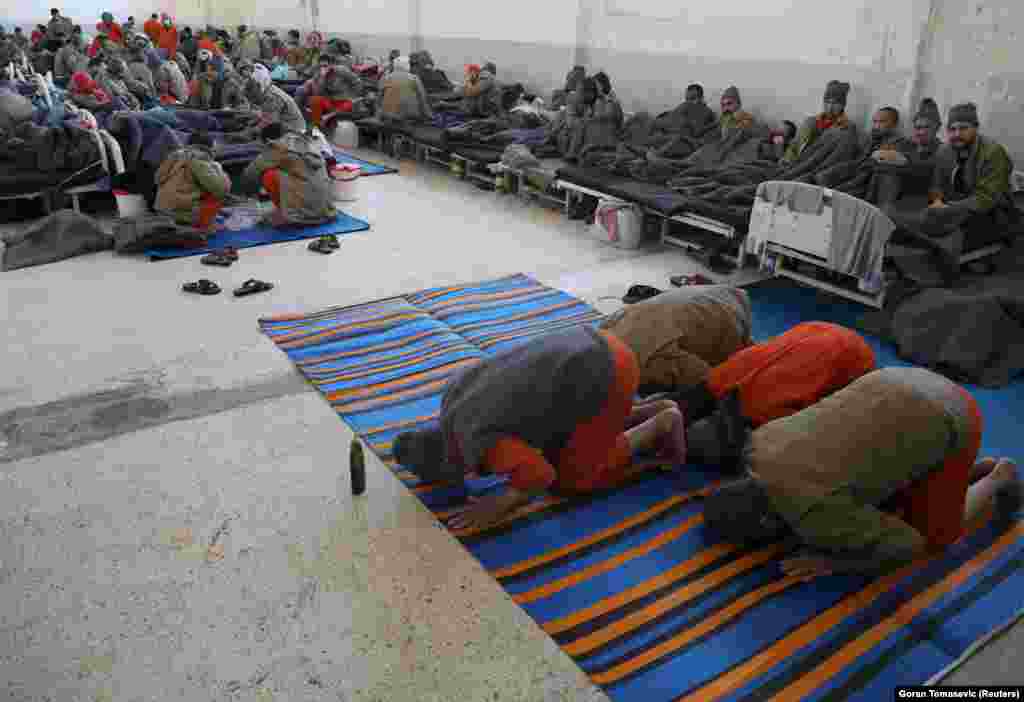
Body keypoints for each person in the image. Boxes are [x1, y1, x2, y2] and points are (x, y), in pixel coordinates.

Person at [702, 367, 1023, 578]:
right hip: (895, 379)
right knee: (879, 489)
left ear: (764, 523)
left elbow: (908, 545)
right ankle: (954, 477)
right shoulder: (756, 446)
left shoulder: (814, 519)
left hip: (954, 414)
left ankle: (998, 477)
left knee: (936, 537)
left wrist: (833, 564)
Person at [393, 325, 689, 531]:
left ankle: (662, 423)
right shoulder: (452, 398)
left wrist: (501, 502)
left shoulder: (480, 444)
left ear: (452, 465)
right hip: (590, 343)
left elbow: (540, 476)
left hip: (608, 373)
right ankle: (643, 411)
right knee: (559, 441)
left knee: (572, 479)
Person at [672, 322, 876, 467]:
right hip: (829, 344)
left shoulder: (764, 400)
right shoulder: (762, 401)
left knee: (694, 424)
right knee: (701, 432)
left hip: (821, 334)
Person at [886, 102, 1016, 283]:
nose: (957, 134)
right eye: (952, 129)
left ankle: (950, 260)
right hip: (955, 207)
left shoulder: (993, 153)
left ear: (976, 128)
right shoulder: (945, 151)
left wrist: (949, 210)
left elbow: (987, 198)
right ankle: (936, 255)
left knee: (937, 226)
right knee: (906, 217)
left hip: (990, 212)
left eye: (963, 128)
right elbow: (936, 186)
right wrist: (937, 201)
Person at [599, 285, 752, 395]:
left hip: (727, 312)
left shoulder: (648, 363)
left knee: (731, 382)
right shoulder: (605, 330)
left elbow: (708, 380)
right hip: (706, 295)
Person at [239, 130, 337, 228]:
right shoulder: (307, 142)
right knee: (294, 172)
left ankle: (287, 213)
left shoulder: (277, 147)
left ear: (269, 140)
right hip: (326, 210)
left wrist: (245, 194)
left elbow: (250, 173)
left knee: (269, 175)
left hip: (302, 216)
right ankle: (300, 209)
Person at [155, 131, 232, 233]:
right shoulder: (200, 159)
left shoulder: (175, 156)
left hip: (162, 210)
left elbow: (157, 179)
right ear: (210, 147)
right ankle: (203, 226)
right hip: (180, 213)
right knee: (215, 194)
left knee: (201, 186)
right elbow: (221, 189)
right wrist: (218, 168)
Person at [783, 80, 855, 164]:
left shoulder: (847, 127)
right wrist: (787, 158)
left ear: (843, 105)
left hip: (818, 169)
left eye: (835, 103)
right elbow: (795, 144)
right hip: (796, 163)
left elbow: (846, 156)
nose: (830, 107)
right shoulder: (811, 121)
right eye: (827, 102)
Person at [244, 63, 307, 134]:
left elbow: (269, 121)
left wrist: (250, 131)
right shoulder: (267, 90)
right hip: (283, 125)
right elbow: (265, 114)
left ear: (260, 84)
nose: (249, 89)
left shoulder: (272, 96)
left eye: (252, 85)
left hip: (294, 130)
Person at [376, 55, 432, 124]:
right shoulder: (414, 78)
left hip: (388, 116)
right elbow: (422, 98)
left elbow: (379, 99)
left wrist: (378, 115)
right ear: (407, 66)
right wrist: (428, 115)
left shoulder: (385, 78)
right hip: (410, 116)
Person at [308, 64, 361, 129]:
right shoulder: (322, 77)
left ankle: (327, 119)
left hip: (346, 99)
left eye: (329, 72)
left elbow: (357, 82)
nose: (329, 75)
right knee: (315, 99)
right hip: (331, 101)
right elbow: (318, 93)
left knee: (346, 105)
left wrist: (353, 96)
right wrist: (322, 79)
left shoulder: (341, 70)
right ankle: (318, 124)